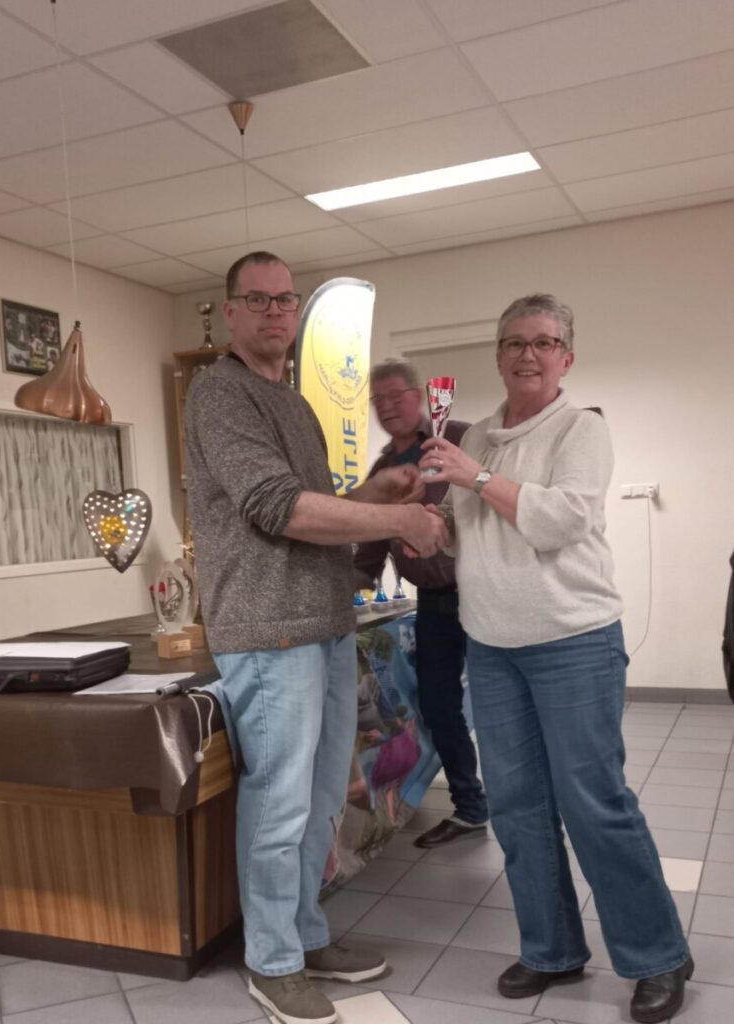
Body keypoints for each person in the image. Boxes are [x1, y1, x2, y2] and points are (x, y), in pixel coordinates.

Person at [184, 251, 448, 1024]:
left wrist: (373, 491)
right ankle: (270, 961)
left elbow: (315, 508)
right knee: (278, 804)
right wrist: (399, 518)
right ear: (230, 312)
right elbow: (277, 508)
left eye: (285, 299)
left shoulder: (294, 405)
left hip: (325, 623)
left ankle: (302, 935)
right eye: (257, 299)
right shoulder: (219, 393)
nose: (274, 312)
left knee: (323, 798)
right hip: (267, 631)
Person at [418, 294, 692, 1024]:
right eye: (514, 342)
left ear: (566, 358)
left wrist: (474, 478)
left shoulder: (581, 428)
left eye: (543, 342)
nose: (527, 354)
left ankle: (657, 955)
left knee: (593, 804)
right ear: (498, 355)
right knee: (516, 808)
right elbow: (469, 531)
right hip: (492, 646)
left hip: (573, 643)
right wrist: (426, 521)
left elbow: (562, 519)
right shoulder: (476, 433)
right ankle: (551, 949)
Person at [354, 359, 488, 846]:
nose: (388, 407)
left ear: (419, 395)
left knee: (502, 707)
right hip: (432, 606)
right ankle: (471, 807)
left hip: (484, 597)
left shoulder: (463, 438)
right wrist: (329, 591)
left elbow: (498, 501)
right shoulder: (382, 472)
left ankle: (527, 809)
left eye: (397, 396)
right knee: (438, 708)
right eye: (379, 400)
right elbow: (368, 554)